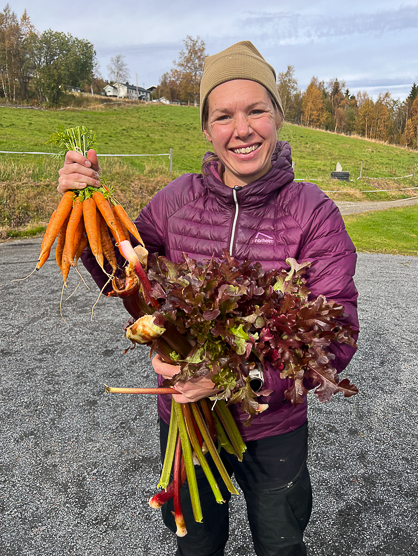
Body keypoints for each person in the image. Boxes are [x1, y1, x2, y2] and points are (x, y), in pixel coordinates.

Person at [57, 41, 359, 556]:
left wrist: (236, 376)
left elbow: (335, 334)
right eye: (223, 115)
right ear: (205, 128)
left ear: (277, 116)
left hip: (272, 427)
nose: (242, 129)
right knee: (195, 544)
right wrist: (85, 211)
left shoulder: (314, 213)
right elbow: (123, 277)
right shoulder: (175, 201)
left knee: (280, 544)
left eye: (256, 110)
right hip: (186, 422)